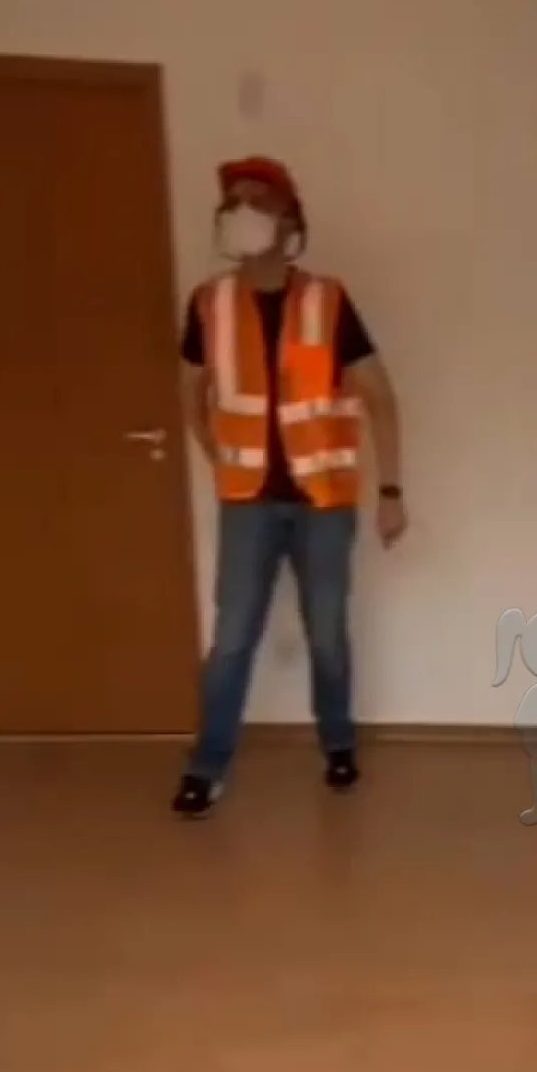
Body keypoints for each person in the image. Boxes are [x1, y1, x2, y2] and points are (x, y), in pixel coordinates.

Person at [171, 155, 406, 818]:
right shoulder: (209, 303)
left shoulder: (327, 301)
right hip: (247, 503)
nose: (241, 211)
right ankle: (207, 766)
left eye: (258, 200)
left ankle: (339, 744)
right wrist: (216, 455)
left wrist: (391, 492)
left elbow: (380, 397)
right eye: (233, 201)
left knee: (327, 631)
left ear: (289, 221)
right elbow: (189, 390)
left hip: (324, 503)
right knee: (232, 638)